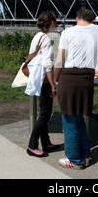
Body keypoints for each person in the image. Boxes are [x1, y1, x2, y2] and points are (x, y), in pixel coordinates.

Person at [54, 8, 98, 169]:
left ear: (77, 19)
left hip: (69, 78)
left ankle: (74, 160)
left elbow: (59, 60)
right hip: (87, 78)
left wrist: (55, 78)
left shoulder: (67, 33)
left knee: (69, 122)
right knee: (79, 120)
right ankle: (85, 155)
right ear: (92, 19)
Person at [25, 12, 60, 157]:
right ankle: (32, 146)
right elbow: (47, 64)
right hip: (44, 79)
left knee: (44, 112)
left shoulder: (37, 36)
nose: (56, 23)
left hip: (37, 77)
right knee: (45, 114)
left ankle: (46, 143)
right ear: (51, 22)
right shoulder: (45, 38)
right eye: (55, 21)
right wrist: (52, 85)